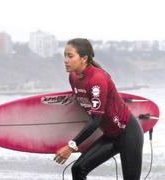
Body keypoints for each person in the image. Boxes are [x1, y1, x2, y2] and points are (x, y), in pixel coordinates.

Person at [53, 38, 144, 180]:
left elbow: (96, 119)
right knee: (78, 169)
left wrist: (71, 146)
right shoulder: (73, 77)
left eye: (70, 56)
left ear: (83, 58)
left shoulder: (97, 80)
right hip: (110, 135)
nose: (65, 60)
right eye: (64, 55)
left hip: (128, 133)